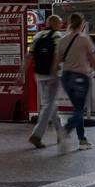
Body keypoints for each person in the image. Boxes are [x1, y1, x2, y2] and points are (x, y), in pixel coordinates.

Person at [58, 12, 95, 151]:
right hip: (80, 77)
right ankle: (66, 129)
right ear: (82, 24)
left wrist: (54, 75)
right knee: (79, 110)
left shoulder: (63, 39)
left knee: (77, 108)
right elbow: (92, 57)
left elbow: (57, 60)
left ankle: (82, 140)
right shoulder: (84, 39)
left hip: (66, 77)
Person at [28, 14, 64, 148]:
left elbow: (29, 54)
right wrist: (54, 73)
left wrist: (22, 71)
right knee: (49, 104)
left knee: (50, 103)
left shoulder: (38, 36)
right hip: (52, 75)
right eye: (60, 23)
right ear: (55, 23)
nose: (61, 25)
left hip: (39, 74)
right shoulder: (57, 36)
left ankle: (61, 133)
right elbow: (57, 55)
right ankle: (36, 135)